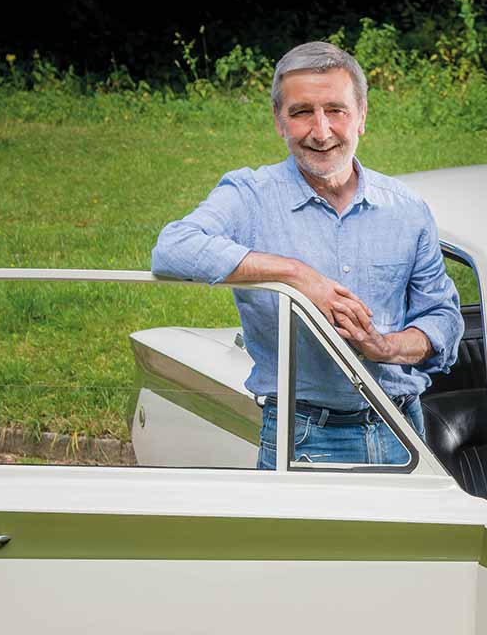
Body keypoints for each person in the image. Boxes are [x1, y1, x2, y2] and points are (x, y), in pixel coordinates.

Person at [151, 41, 463, 469]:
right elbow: (173, 248)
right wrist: (295, 276)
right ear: (280, 123)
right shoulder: (250, 197)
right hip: (300, 437)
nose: (321, 131)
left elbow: (443, 321)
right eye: (301, 113)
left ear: (362, 117)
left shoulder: (407, 209)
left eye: (336, 110)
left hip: (403, 430)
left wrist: (384, 346)